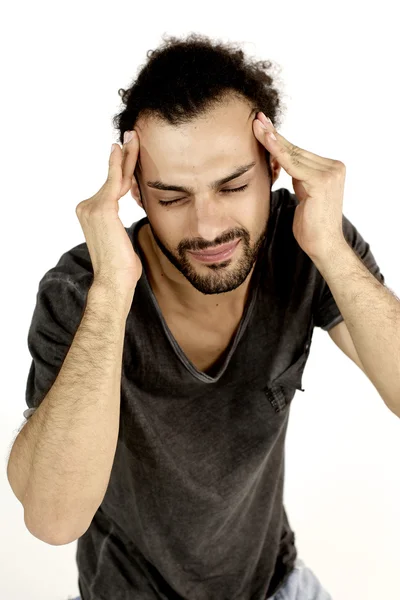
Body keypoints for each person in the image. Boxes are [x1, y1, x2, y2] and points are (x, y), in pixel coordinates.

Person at [8, 33, 385, 600]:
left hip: (276, 583)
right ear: (134, 192)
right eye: (172, 198)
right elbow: (52, 520)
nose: (207, 228)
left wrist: (330, 249)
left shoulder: (307, 243)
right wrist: (113, 291)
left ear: (274, 167)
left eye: (233, 185)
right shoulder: (82, 290)